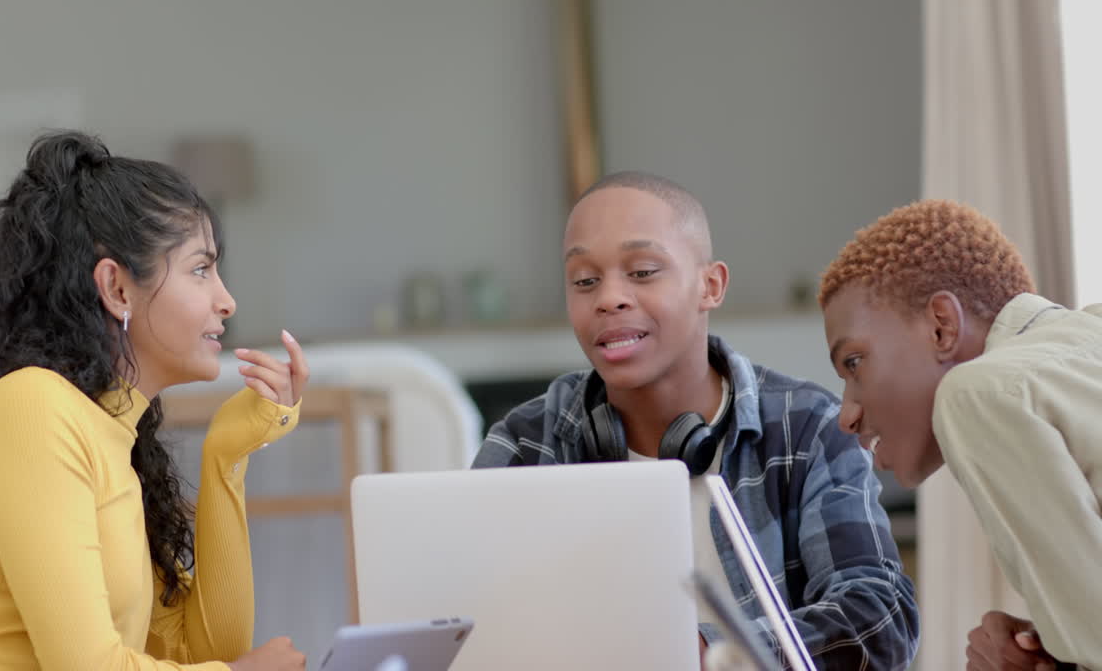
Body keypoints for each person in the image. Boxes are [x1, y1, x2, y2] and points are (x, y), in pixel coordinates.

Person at [472, 171, 919, 670]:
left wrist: (709, 653)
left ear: (710, 286)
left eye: (642, 272)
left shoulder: (808, 428)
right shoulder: (526, 442)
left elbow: (879, 620)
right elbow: (466, 621)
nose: (609, 298)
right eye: (584, 280)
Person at [0, 131, 308, 671]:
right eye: (200, 269)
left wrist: (226, 457)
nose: (226, 301)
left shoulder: (117, 445)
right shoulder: (32, 408)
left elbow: (207, 650)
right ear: (116, 289)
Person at [819, 199, 1102, 671]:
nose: (845, 415)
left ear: (941, 326)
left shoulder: (978, 392)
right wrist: (1051, 643)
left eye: (853, 363)